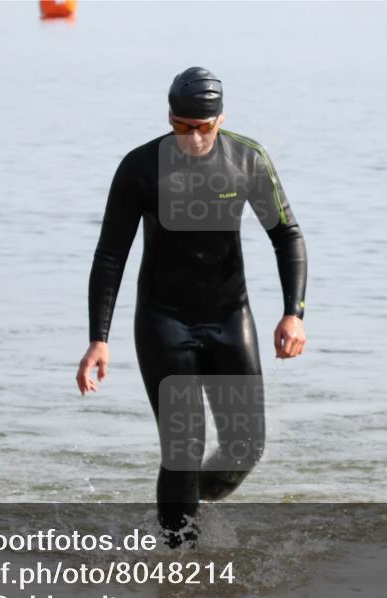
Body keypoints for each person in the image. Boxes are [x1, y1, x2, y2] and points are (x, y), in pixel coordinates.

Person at [76, 66, 308, 548]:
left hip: (229, 316)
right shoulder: (141, 167)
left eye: (203, 127)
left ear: (220, 119)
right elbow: (110, 254)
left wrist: (293, 313)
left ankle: (181, 509)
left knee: (246, 447)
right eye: (183, 126)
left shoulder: (248, 160)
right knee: (184, 447)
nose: (194, 137)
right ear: (170, 117)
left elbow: (286, 234)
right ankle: (177, 565)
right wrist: (99, 338)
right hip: (164, 320)